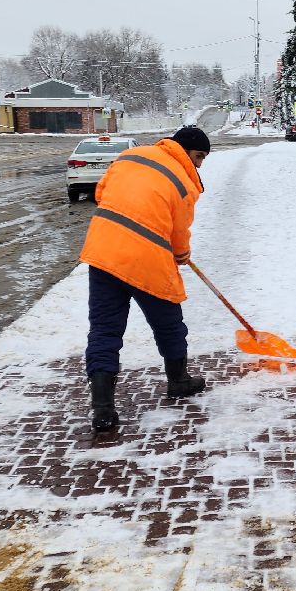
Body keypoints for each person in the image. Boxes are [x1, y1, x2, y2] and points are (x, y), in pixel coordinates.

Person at [79, 125, 211, 432]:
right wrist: (181, 253)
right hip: (147, 259)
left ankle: (102, 408)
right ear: (185, 150)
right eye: (199, 156)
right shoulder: (184, 183)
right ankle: (178, 380)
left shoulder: (129, 156)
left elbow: (101, 194)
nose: (200, 163)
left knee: (103, 330)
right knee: (168, 323)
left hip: (103, 252)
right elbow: (179, 231)